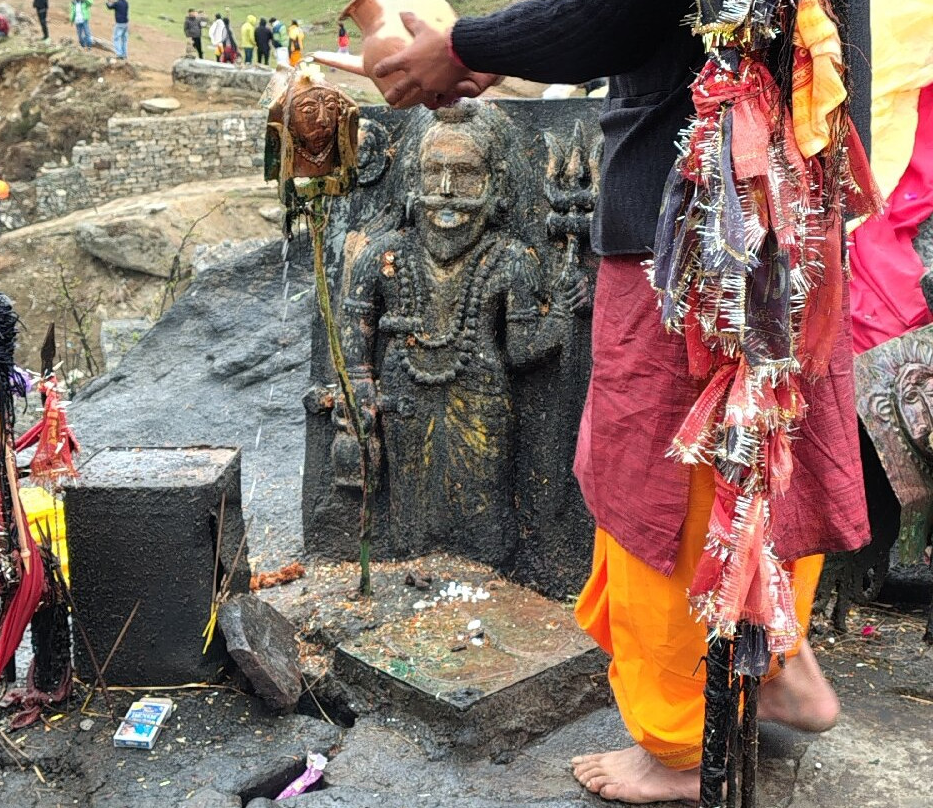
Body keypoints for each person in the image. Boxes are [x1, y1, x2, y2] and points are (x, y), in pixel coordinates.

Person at [371, 2, 871, 804]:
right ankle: (776, 663)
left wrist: (467, 45)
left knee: (663, 477)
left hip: (696, 216)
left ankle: (681, 744)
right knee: (766, 439)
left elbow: (625, 9)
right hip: (794, 197)